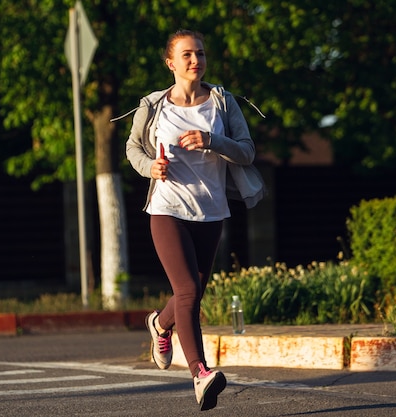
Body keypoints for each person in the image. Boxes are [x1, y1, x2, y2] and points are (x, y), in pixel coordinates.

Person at [125, 29, 258, 411]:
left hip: (211, 211)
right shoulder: (153, 106)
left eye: (199, 53)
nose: (195, 60)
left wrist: (212, 140)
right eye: (186, 55)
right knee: (186, 293)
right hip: (167, 209)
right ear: (171, 63)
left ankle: (159, 323)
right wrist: (151, 167)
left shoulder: (222, 102)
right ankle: (200, 373)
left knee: (192, 292)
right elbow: (133, 147)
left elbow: (247, 152)